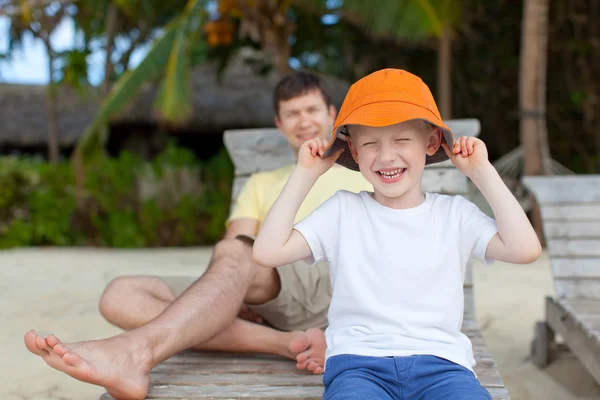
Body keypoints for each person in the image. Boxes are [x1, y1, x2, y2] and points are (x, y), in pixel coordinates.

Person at [23, 72, 371, 400]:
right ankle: (285, 343)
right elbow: (238, 245)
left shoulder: (365, 171)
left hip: (330, 282)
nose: (304, 120)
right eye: (292, 114)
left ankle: (135, 351)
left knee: (236, 258)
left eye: (311, 109)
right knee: (120, 294)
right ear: (279, 124)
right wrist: (238, 291)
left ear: (332, 113)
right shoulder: (261, 182)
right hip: (272, 287)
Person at [253, 68, 542, 400]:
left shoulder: (454, 213)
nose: (386, 156)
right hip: (358, 366)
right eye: (371, 144)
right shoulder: (342, 212)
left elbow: (525, 249)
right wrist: (306, 174)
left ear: (431, 141)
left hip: (443, 366)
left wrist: (482, 171)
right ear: (355, 152)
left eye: (402, 139)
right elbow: (267, 252)